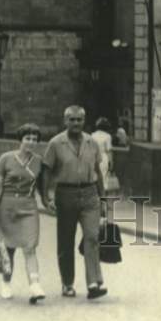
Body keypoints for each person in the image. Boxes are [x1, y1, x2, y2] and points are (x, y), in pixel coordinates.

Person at [40, 105, 107, 300]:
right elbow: (46, 171)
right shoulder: (55, 144)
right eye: (72, 119)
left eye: (79, 119)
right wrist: (45, 197)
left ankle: (93, 283)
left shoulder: (92, 142)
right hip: (65, 194)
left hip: (89, 193)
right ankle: (67, 283)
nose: (76, 123)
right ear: (65, 121)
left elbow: (98, 171)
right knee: (66, 240)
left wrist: (103, 199)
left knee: (92, 237)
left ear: (84, 121)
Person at [0, 123, 46, 303]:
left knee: (30, 247)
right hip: (7, 207)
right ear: (20, 140)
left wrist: (48, 203)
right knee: (9, 249)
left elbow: (41, 188)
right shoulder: (5, 159)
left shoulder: (38, 162)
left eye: (34, 139)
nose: (31, 142)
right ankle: (6, 283)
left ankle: (35, 285)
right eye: (27, 138)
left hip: (28, 207)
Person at [91, 116, 114, 187]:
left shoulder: (92, 135)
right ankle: (103, 195)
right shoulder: (107, 136)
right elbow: (109, 150)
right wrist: (112, 162)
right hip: (103, 158)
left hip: (94, 158)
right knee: (104, 179)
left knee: (95, 179)